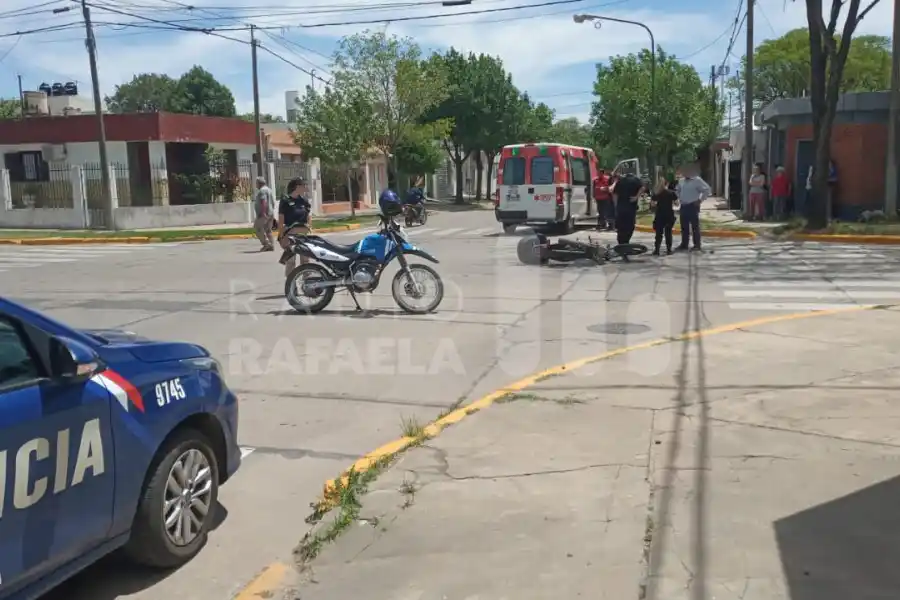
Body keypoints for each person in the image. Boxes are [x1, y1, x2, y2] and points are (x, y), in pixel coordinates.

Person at [277, 177, 313, 278]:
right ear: (297, 187)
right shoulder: (285, 200)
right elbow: (281, 219)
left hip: (303, 234)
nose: (305, 187)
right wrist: (281, 236)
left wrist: (310, 227)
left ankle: (307, 283)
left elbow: (309, 215)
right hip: (290, 234)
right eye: (303, 185)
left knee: (305, 260)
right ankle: (291, 286)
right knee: (291, 261)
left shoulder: (304, 200)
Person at [675, 165, 711, 252]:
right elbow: (677, 190)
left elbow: (707, 189)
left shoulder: (697, 180)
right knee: (684, 227)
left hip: (692, 206)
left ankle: (697, 245)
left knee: (695, 227)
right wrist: (678, 198)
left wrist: (700, 200)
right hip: (683, 206)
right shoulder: (681, 181)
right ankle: (684, 244)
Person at [613, 171, 643, 246]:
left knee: (621, 226)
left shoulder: (620, 181)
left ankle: (621, 242)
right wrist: (636, 197)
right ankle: (626, 241)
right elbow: (642, 188)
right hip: (631, 207)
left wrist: (616, 205)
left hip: (621, 207)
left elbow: (615, 194)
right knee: (630, 226)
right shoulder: (636, 180)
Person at [650, 176, 678, 256]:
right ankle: (669, 250)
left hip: (659, 215)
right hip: (669, 214)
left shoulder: (656, 193)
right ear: (667, 184)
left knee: (659, 233)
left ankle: (657, 250)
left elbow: (652, 204)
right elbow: (677, 203)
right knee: (668, 232)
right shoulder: (671, 192)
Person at [253, 176, 275, 251]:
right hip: (270, 213)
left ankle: (266, 244)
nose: (256, 185)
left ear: (259, 183)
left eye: (256, 183)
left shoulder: (262, 191)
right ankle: (271, 245)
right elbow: (273, 202)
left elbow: (263, 202)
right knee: (268, 230)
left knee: (257, 228)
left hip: (264, 214)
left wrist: (263, 212)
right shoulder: (269, 190)